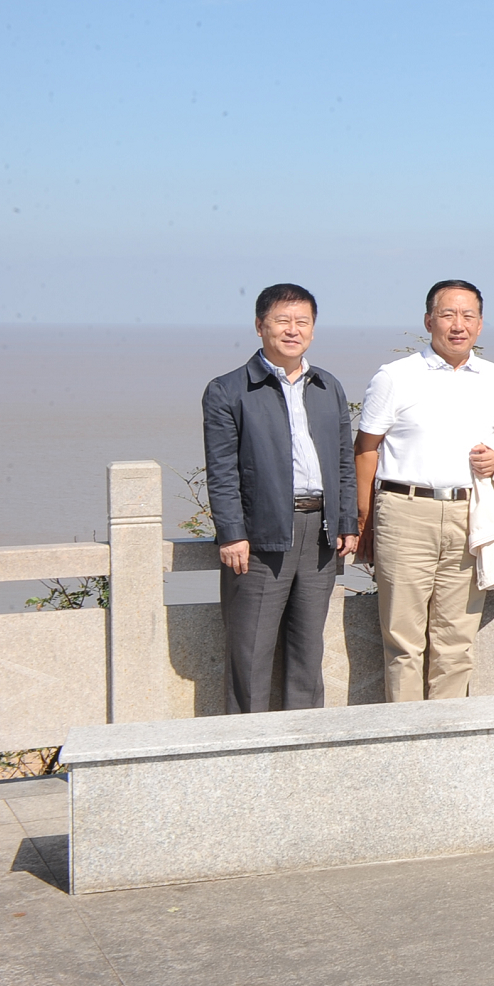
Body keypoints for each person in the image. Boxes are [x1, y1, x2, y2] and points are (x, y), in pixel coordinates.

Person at [201, 283, 357, 714]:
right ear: (259, 326)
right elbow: (222, 470)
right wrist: (231, 533)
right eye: (282, 320)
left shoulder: (327, 386)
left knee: (308, 651)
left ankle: (304, 743)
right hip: (260, 537)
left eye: (302, 321)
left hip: (319, 534)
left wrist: (346, 521)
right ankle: (245, 745)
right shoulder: (228, 390)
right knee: (250, 654)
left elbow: (343, 460)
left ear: (313, 329)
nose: (293, 330)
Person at [353, 280, 494, 702]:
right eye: (447, 315)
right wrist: (364, 518)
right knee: (403, 641)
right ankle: (406, 734)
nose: (458, 325)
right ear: (428, 321)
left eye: (468, 316)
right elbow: (365, 449)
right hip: (405, 512)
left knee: (456, 642)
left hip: (468, 514)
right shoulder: (396, 376)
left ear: (480, 324)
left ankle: (447, 733)